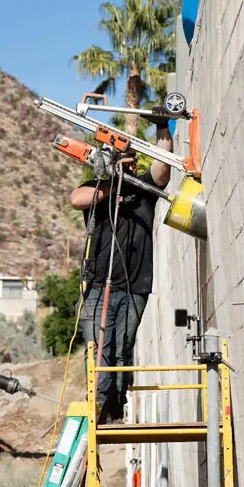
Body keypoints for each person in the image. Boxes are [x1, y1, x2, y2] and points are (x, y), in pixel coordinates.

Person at [69, 121, 173, 422]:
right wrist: (111, 179)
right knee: (99, 348)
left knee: (122, 347)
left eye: (131, 162)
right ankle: (98, 405)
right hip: (98, 286)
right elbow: (76, 199)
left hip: (135, 287)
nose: (128, 168)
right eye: (121, 162)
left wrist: (163, 126)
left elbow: (163, 166)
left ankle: (116, 404)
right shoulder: (99, 189)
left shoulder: (145, 190)